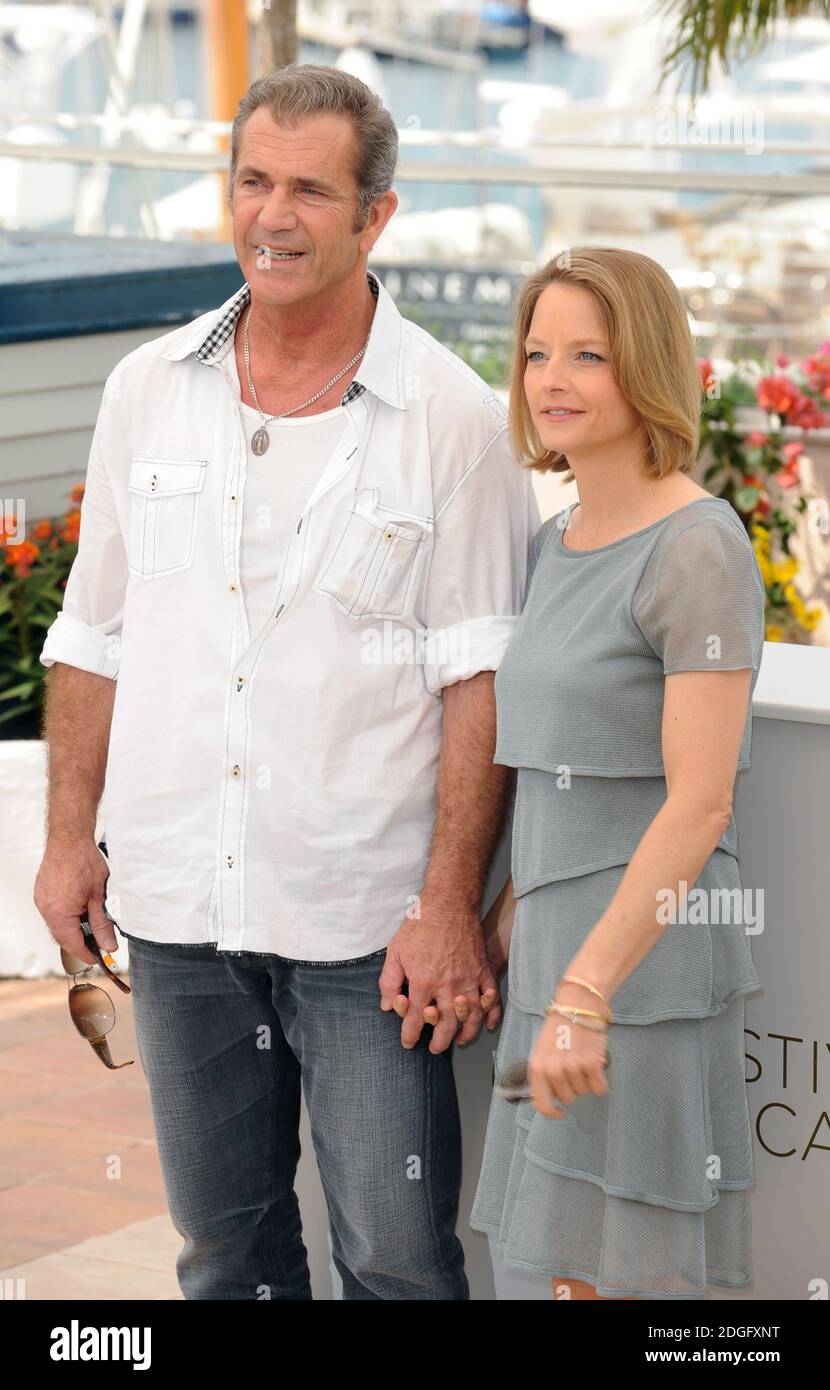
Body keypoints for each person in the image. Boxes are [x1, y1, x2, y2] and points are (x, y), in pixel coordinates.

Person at [33, 64, 540, 1300]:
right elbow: (92, 631)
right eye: (253, 180)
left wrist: (446, 902)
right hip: (177, 903)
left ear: (376, 216)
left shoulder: (452, 419)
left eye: (311, 190)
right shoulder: (144, 389)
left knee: (398, 1263)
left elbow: (480, 680)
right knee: (224, 1256)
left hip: (365, 920)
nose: (274, 213)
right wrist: (65, 844)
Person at [464, 246, 766, 1300]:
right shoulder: (556, 542)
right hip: (554, 957)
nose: (549, 378)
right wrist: (503, 928)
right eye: (536, 352)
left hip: (632, 970)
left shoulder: (696, 547)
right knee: (553, 1278)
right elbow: (556, 771)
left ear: (643, 369)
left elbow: (701, 799)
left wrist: (587, 991)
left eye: (585, 354)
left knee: (613, 1285)